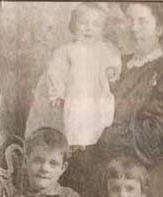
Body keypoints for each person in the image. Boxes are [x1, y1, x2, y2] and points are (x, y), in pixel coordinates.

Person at [65, 2, 163, 197]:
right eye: (130, 21)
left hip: (133, 190)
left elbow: (155, 136)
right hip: (87, 177)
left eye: (142, 22)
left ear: (160, 28)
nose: (134, 28)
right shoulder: (111, 62)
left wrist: (93, 135)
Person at [25, 3, 121, 149]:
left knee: (99, 120)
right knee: (76, 120)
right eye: (83, 23)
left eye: (96, 25)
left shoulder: (105, 49)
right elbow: (55, 73)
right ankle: (76, 144)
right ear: (73, 26)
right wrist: (57, 93)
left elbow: (114, 62)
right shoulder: (67, 51)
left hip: (97, 94)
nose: (89, 28)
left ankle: (93, 145)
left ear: (102, 29)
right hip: (76, 94)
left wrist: (113, 71)